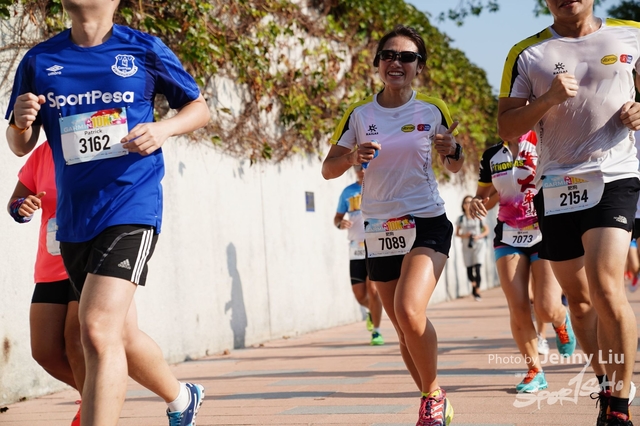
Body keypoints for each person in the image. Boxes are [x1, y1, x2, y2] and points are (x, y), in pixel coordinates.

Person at [5, 0, 211, 425]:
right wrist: (21, 124)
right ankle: (181, 397)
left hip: (131, 204)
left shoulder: (143, 49)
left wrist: (163, 128)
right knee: (121, 334)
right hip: (75, 219)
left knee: (96, 328)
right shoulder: (40, 60)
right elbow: (20, 144)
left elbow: (199, 108)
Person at [498, 2, 640, 424]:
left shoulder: (632, 33)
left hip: (614, 174)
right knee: (578, 303)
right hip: (556, 184)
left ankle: (620, 404)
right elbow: (506, 128)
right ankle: (605, 384)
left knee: (605, 287)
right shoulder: (526, 53)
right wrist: (547, 99)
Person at [322, 24, 463, 426]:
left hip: (426, 221)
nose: (396, 62)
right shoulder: (359, 114)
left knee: (408, 309)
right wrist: (351, 158)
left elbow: (455, 165)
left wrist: (453, 149)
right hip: (380, 229)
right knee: (402, 329)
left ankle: (432, 398)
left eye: (407, 57)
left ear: (419, 66)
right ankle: (433, 396)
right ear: (378, 63)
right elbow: (328, 169)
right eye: (389, 55)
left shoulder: (432, 109)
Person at [470, 130, 576, 393]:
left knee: (546, 308)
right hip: (508, 235)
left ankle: (561, 319)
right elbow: (483, 194)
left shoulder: (545, 142)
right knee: (518, 307)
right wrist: (475, 202)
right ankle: (535, 371)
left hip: (544, 232)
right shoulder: (492, 155)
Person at [7, 141, 84, 426]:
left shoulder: (97, 138)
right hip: (51, 263)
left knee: (75, 341)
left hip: (89, 258)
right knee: (45, 351)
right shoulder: (43, 153)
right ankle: (100, 390)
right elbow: (15, 203)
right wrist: (22, 207)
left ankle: (94, 405)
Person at [334, 164, 384, 345]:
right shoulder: (347, 192)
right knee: (360, 295)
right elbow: (337, 218)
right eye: (358, 167)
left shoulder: (380, 187)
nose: (361, 170)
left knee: (373, 289)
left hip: (376, 245)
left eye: (365, 166)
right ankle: (372, 311)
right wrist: (340, 224)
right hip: (356, 247)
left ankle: (376, 332)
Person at [454, 195, 488, 301]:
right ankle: (474, 285)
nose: (468, 204)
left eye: (469, 202)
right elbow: (457, 233)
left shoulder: (479, 216)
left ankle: (477, 291)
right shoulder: (461, 219)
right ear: (463, 205)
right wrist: (465, 235)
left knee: (477, 268)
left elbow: (486, 230)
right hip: (466, 246)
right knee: (469, 270)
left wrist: (479, 236)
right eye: (466, 202)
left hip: (478, 246)